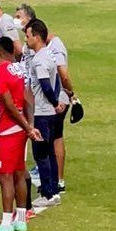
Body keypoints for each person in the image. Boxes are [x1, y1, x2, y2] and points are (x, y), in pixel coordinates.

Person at [0, 39, 37, 231]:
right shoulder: (18, 69)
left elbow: (9, 106)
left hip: (8, 130)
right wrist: (30, 126)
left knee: (4, 176)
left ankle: (6, 223)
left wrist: (26, 126)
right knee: (19, 173)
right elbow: (28, 97)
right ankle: (21, 220)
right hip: (21, 130)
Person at [23, 18, 72, 204]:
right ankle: (54, 192)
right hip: (50, 113)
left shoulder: (38, 60)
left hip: (42, 113)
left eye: (28, 36)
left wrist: (54, 102)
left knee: (41, 153)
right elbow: (57, 80)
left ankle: (48, 193)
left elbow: (45, 85)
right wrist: (58, 101)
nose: (26, 40)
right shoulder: (50, 55)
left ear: (36, 37)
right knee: (50, 151)